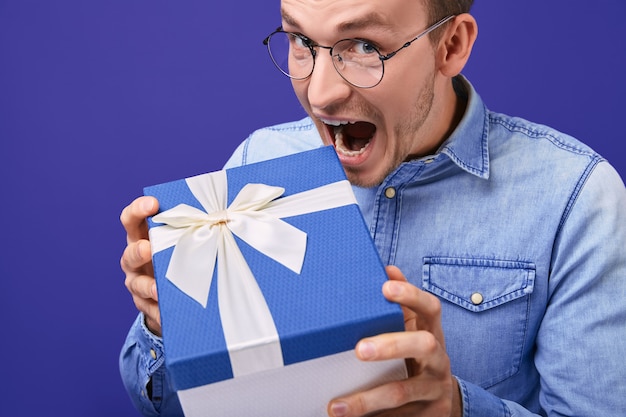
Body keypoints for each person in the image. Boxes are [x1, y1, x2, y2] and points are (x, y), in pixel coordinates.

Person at [119, 0, 626, 415]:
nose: (320, 94)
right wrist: (167, 329)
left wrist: (455, 409)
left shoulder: (575, 199)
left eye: (363, 47)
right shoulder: (258, 165)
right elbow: (169, 404)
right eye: (300, 42)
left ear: (450, 45)